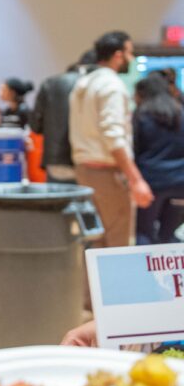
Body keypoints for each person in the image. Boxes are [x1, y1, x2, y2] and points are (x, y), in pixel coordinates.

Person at [69, 31, 153, 248]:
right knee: (117, 245)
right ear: (118, 55)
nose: (131, 59)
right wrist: (136, 180)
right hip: (107, 173)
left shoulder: (83, 83)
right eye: (129, 53)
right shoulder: (112, 86)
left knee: (96, 244)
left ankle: (89, 284)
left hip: (84, 171)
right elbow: (113, 137)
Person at [30, 50, 97, 183]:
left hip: (56, 160)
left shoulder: (49, 83)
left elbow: (35, 126)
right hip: (90, 161)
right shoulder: (95, 84)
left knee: (57, 202)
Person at [133, 75, 184, 244]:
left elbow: (134, 149)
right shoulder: (180, 113)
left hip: (151, 185)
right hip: (180, 184)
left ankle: (144, 271)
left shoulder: (141, 115)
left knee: (144, 233)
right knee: (169, 235)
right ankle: (170, 270)